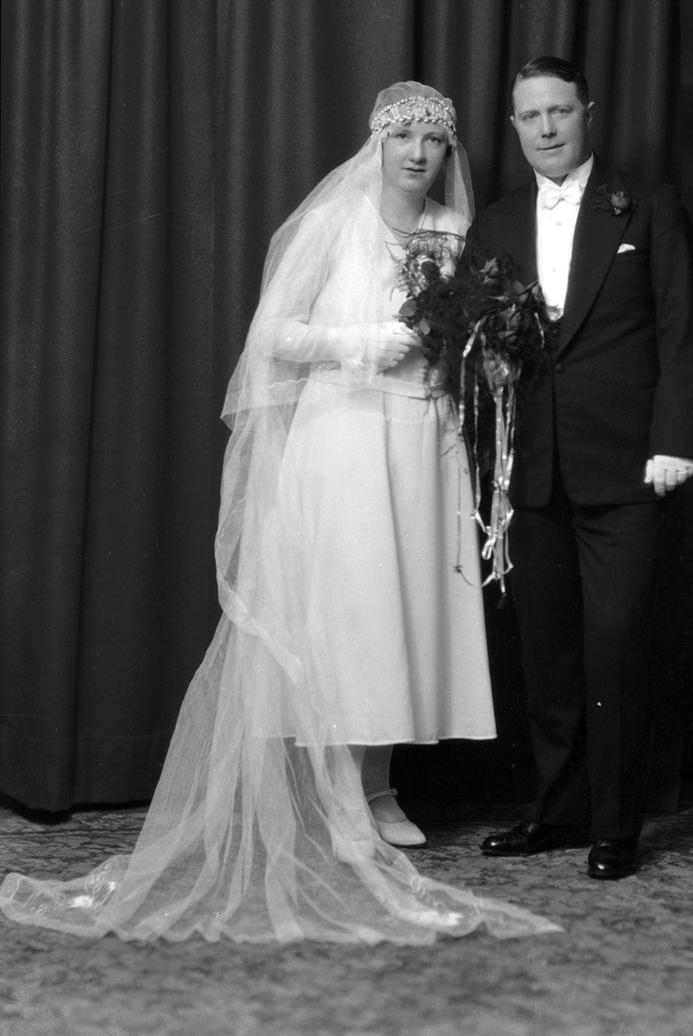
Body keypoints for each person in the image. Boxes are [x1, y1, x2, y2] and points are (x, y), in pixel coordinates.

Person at [0, 83, 558, 944]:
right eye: (404, 138)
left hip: (423, 441)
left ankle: (377, 785)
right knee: (354, 611)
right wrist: (363, 342)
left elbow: (467, 332)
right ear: (377, 144)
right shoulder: (334, 222)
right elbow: (274, 336)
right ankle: (340, 798)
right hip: (345, 436)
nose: (418, 154)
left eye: (433, 142)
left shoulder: (455, 233)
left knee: (406, 613)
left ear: (449, 154)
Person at [470, 57, 693, 880]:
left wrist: (674, 442)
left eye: (560, 112)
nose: (547, 128)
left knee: (615, 647)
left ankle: (615, 826)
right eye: (531, 116)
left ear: (587, 113)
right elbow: (483, 347)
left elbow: (683, 330)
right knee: (548, 655)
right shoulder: (496, 223)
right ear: (515, 126)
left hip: (630, 470)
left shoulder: (649, 205)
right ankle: (558, 811)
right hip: (533, 472)